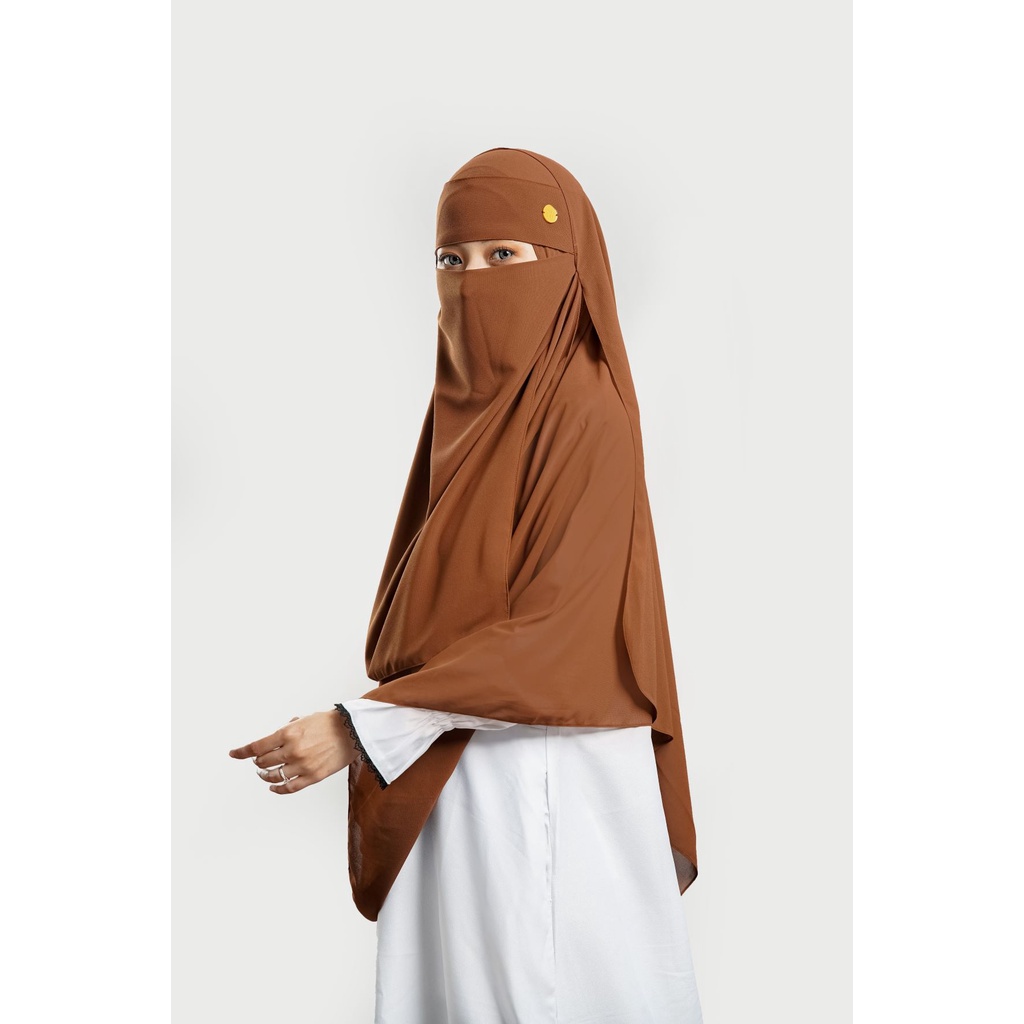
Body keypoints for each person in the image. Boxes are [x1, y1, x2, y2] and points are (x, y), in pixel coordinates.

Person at [229, 148, 703, 1023]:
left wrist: (357, 727)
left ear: (566, 268)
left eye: (504, 256)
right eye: (452, 259)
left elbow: (562, 637)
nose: (474, 283)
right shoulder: (465, 420)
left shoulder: (586, 412)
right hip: (452, 774)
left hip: (555, 785)